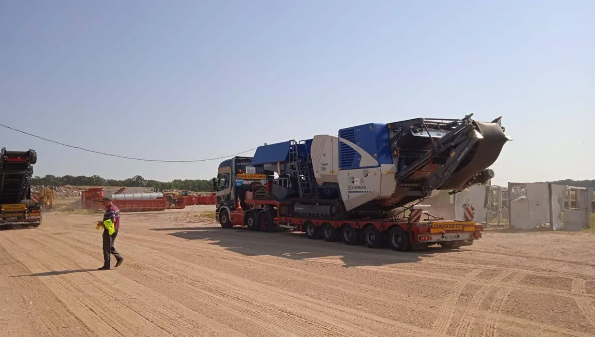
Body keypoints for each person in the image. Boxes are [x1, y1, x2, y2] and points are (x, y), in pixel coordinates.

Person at [98, 196, 124, 270]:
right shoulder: (115, 207)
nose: (103, 204)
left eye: (104, 202)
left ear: (109, 201)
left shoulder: (111, 209)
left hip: (110, 230)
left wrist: (103, 223)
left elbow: (113, 220)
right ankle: (119, 258)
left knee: (106, 248)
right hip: (115, 229)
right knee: (110, 245)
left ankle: (107, 266)